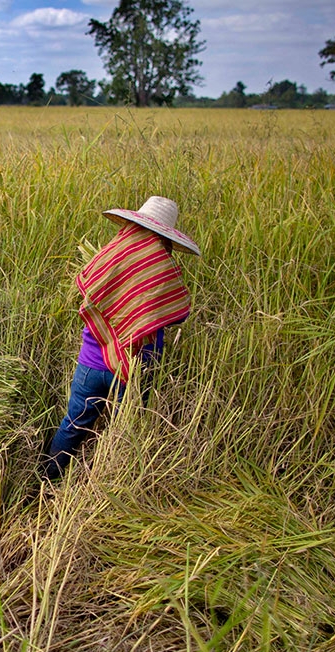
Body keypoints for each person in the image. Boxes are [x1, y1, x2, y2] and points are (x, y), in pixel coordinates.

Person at [41, 196, 201, 481]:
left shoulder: (111, 254)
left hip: (91, 361)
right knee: (125, 430)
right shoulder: (162, 269)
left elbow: (89, 287)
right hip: (135, 368)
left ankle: (47, 478)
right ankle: (110, 482)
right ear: (166, 236)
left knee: (74, 423)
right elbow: (178, 314)